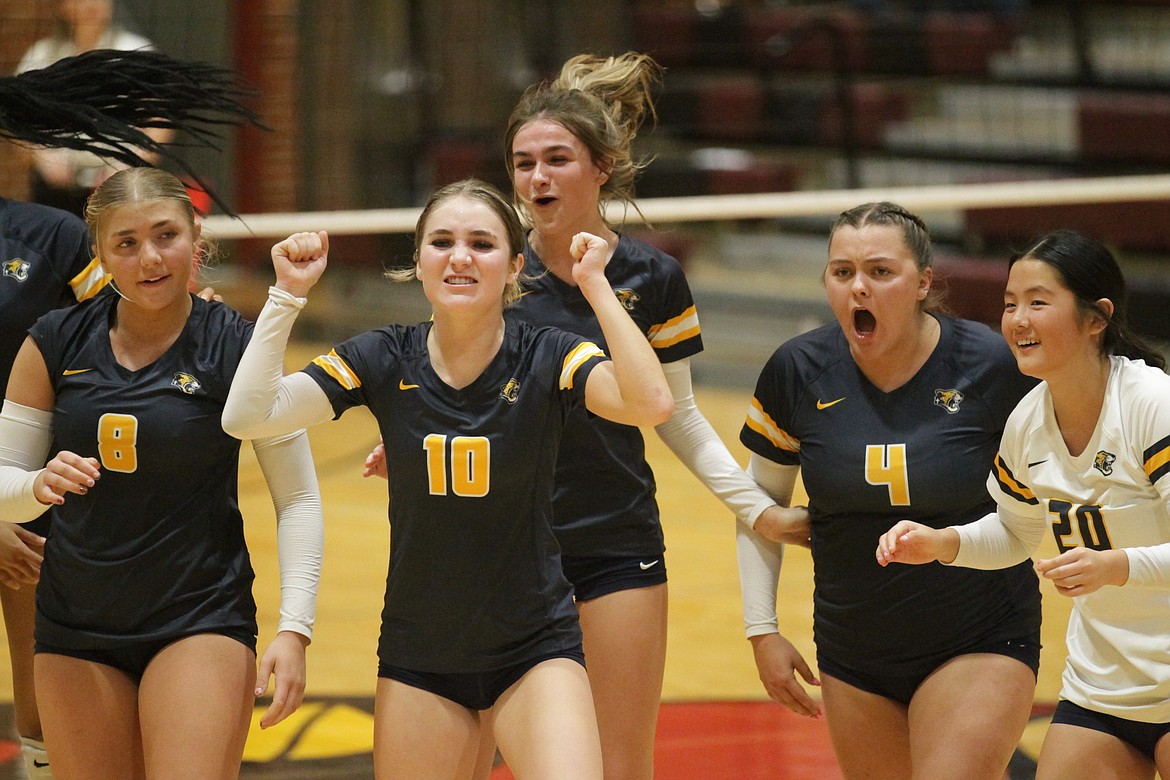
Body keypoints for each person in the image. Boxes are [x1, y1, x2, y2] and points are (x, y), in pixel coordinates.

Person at [221, 178, 674, 780]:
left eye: (481, 244)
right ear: (419, 261)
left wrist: (595, 285)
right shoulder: (383, 356)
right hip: (420, 657)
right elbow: (248, 415)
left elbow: (650, 404)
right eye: (442, 241)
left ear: (515, 265)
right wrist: (286, 296)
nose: (460, 256)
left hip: (533, 650)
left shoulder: (549, 353)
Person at [0, 167, 324, 780]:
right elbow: (3, 487)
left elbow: (299, 499)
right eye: (126, 242)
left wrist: (296, 629)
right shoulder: (53, 342)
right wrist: (34, 485)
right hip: (75, 624)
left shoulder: (235, 344)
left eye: (165, 235)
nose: (149, 258)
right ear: (100, 254)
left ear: (196, 240)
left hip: (197, 618)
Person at [737, 201, 1042, 779]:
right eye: (843, 272)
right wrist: (762, 632)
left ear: (924, 282)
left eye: (880, 272)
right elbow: (761, 512)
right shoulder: (797, 370)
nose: (859, 288)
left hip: (978, 635)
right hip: (853, 652)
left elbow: (1045, 496)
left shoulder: (991, 366)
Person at [877, 229, 1170, 779]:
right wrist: (944, 543)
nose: (1017, 319)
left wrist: (1114, 566)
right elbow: (1016, 534)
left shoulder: (1152, 405)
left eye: (1038, 302)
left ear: (1095, 318)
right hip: (1104, 689)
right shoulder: (1027, 421)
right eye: (1011, 303)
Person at [16, 0, 166, 216]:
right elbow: (18, 121)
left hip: (121, 185)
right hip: (57, 189)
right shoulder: (41, 55)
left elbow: (161, 122)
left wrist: (128, 162)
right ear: (63, 6)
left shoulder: (134, 50)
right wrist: (44, 159)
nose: (91, 4)